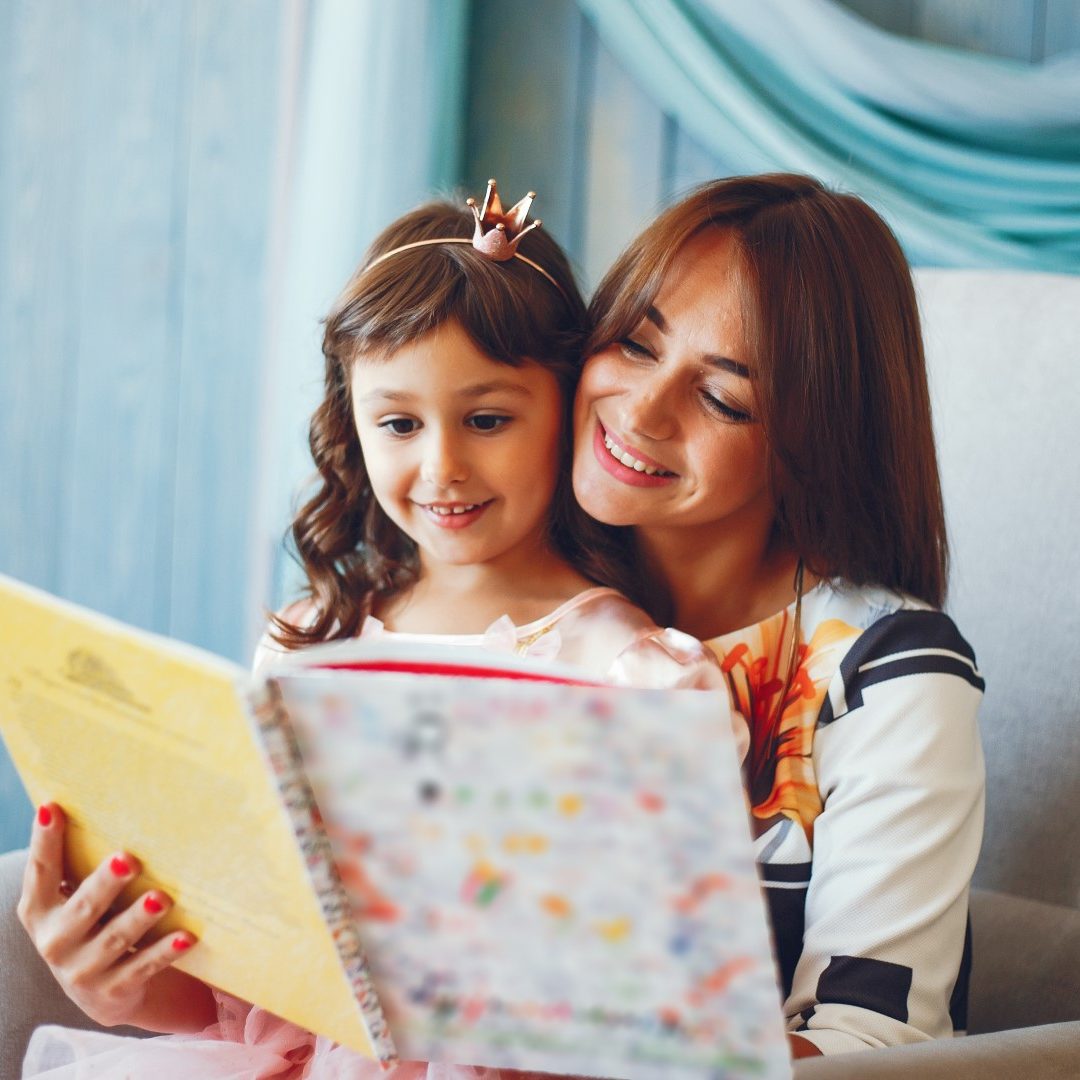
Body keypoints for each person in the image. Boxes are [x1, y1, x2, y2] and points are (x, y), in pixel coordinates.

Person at [18, 183, 736, 1079]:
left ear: (569, 410)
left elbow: (677, 996)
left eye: (487, 419)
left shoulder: (636, 674)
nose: (441, 467)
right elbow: (250, 1002)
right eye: (399, 422)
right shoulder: (308, 643)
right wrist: (114, 985)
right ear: (353, 426)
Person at [571, 172, 986, 1058]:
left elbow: (869, 1049)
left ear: (813, 444)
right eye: (636, 346)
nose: (641, 411)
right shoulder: (516, 598)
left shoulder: (890, 673)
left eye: (722, 397)